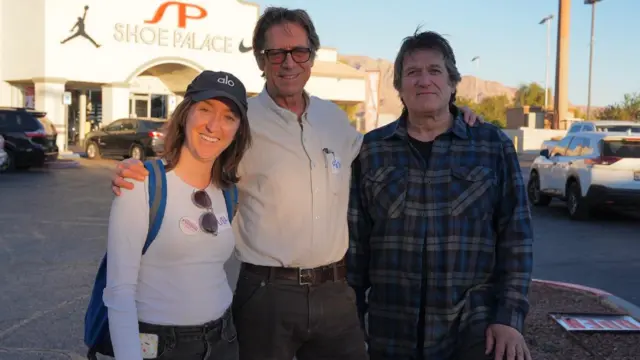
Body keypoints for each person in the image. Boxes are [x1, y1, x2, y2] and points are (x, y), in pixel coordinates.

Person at [110, 7, 481, 360]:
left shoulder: (333, 119)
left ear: (312, 57)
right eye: (276, 53)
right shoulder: (240, 120)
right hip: (266, 294)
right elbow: (197, 156)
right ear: (261, 60)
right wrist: (141, 170)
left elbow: (387, 147)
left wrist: (451, 114)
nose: (289, 62)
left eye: (300, 52)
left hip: (335, 293)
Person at [347, 30, 534, 360]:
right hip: (391, 330)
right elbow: (355, 244)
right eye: (413, 73)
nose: (424, 81)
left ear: (452, 83)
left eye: (435, 71)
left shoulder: (492, 146)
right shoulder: (371, 150)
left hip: (472, 327)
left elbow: (516, 237)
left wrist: (510, 318)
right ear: (400, 88)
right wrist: (351, 318)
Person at [103, 70, 251, 360]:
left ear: (237, 131)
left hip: (223, 339)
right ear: (185, 115)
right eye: (205, 110)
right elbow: (119, 293)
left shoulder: (229, 192)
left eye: (229, 117)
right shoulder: (142, 184)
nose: (213, 125)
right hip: (163, 346)